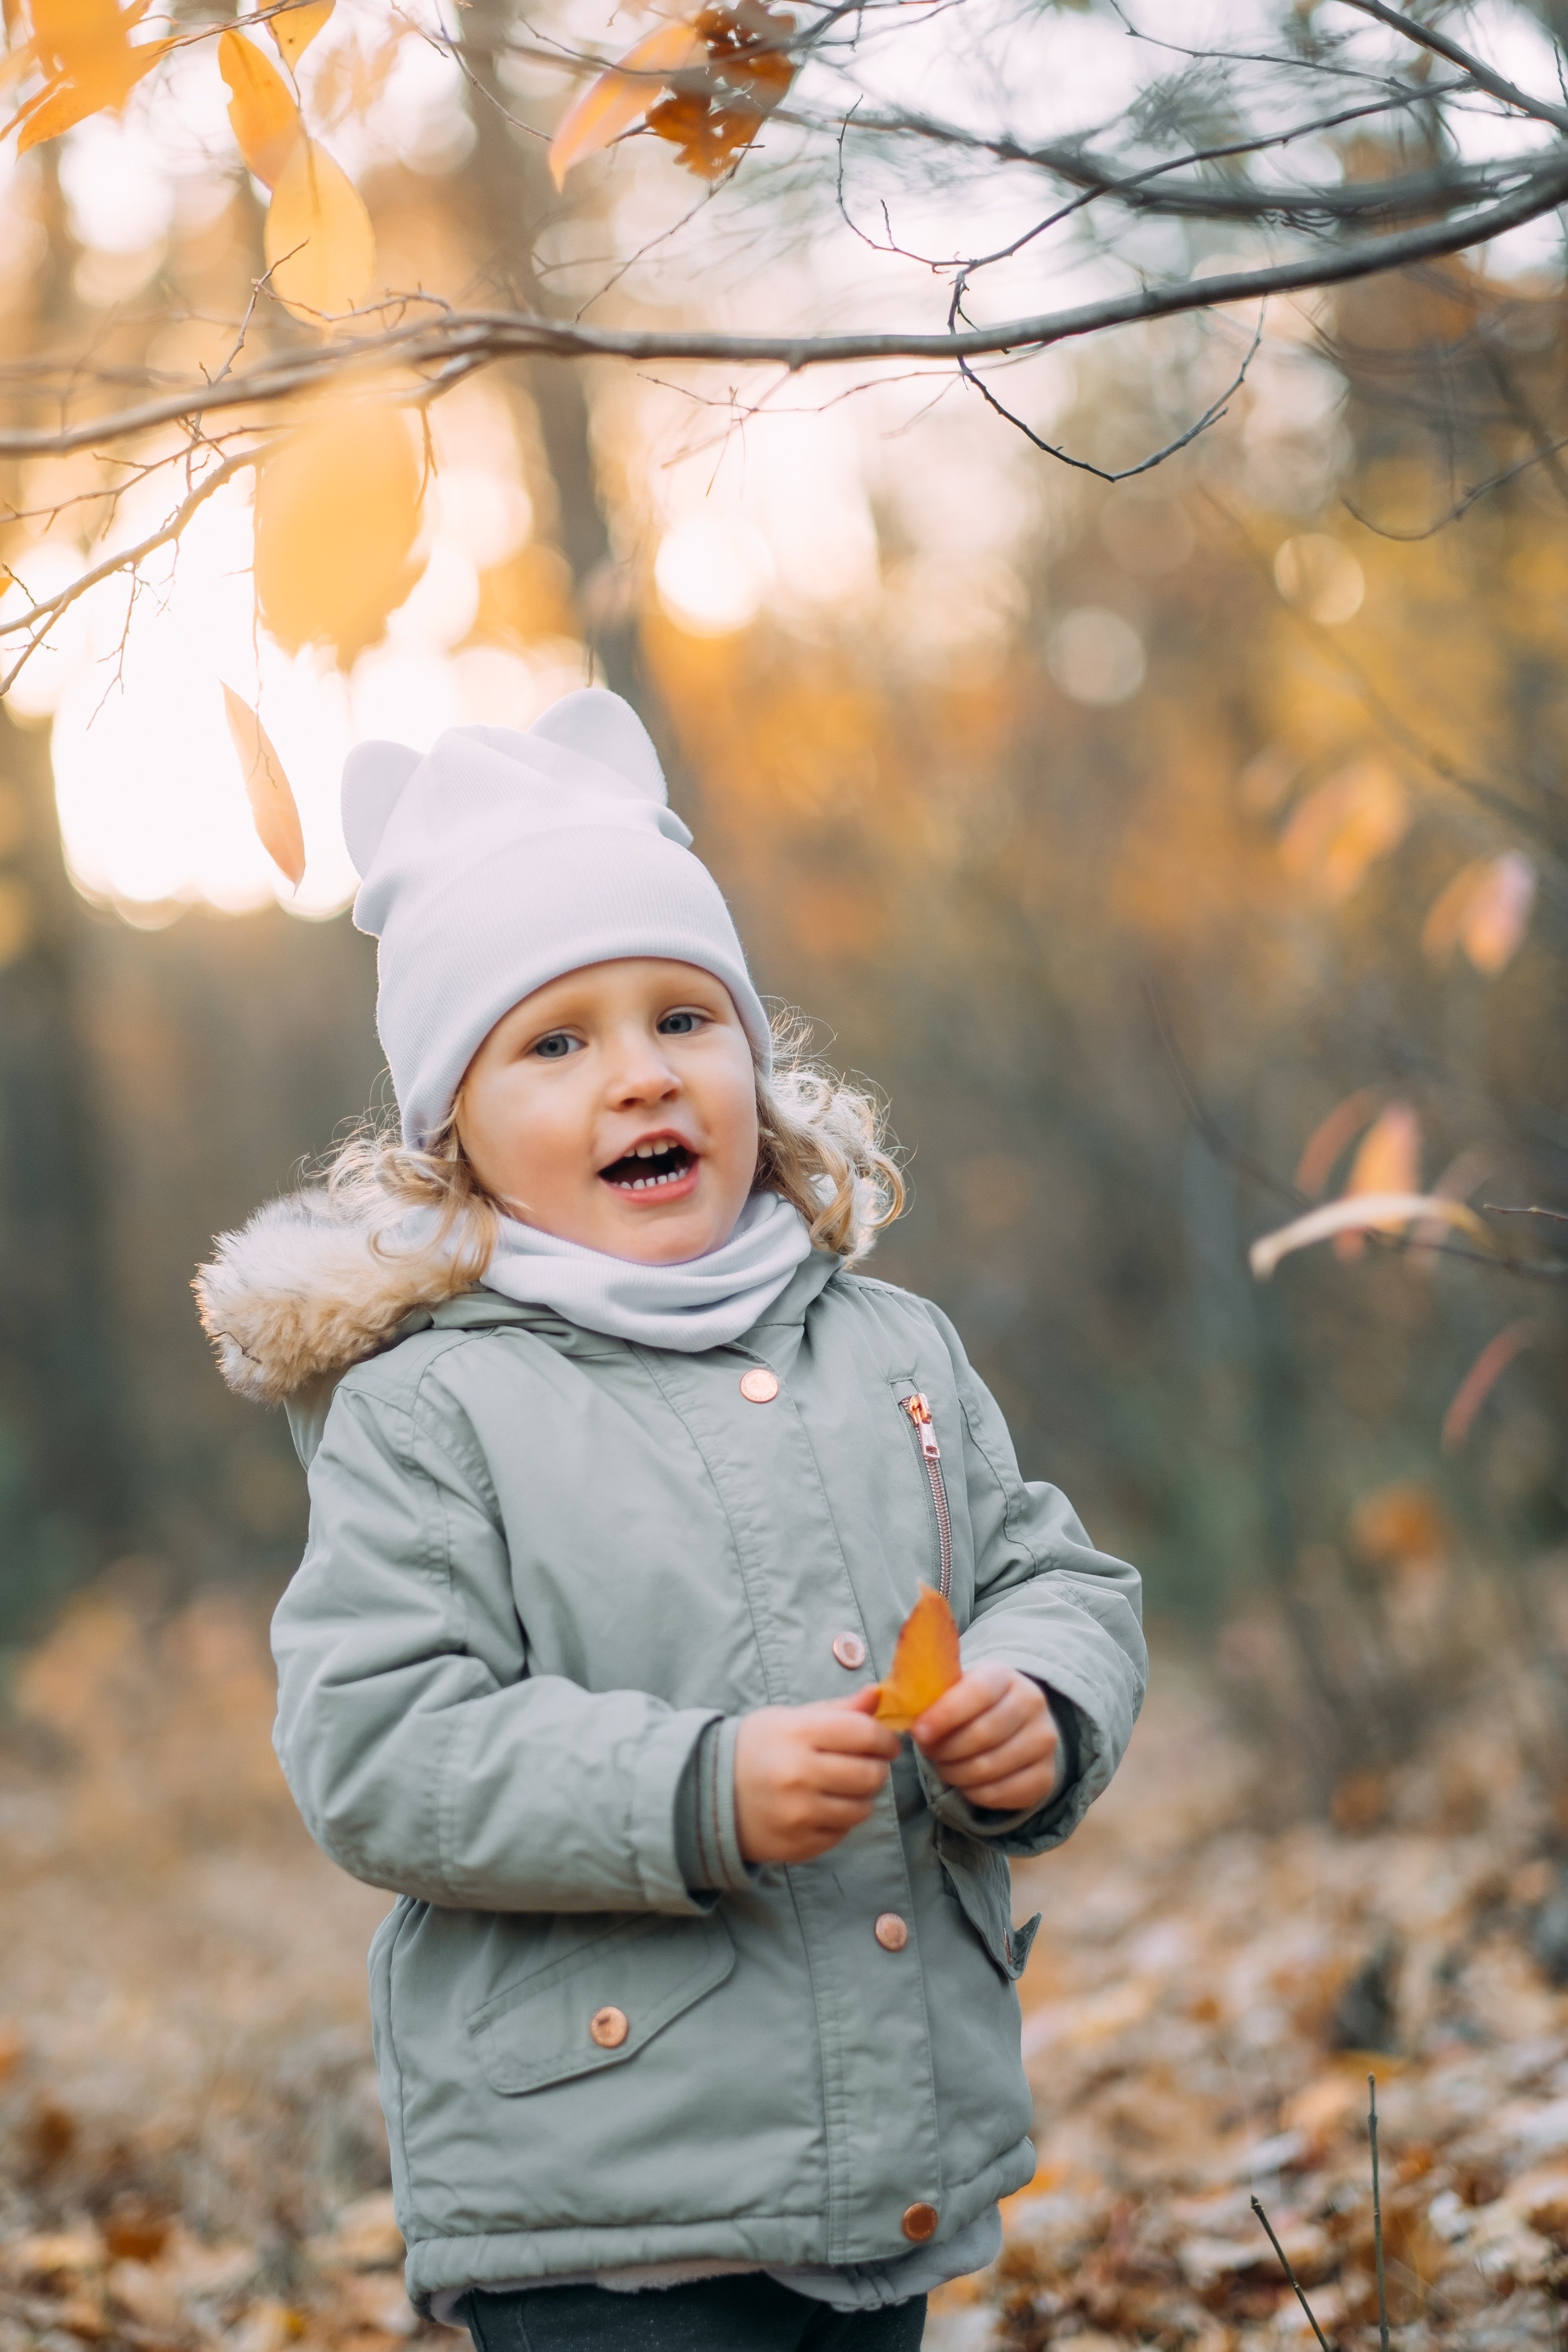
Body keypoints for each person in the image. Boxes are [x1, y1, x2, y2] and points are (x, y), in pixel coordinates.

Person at [194, 688, 1146, 2352]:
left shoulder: (884, 1344)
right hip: (596, 2196)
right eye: (555, 1043)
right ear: (455, 1138)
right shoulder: (433, 1407)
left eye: (683, 1020)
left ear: (754, 1065)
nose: (637, 1075)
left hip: (883, 2162)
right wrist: (689, 1789)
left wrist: (1041, 1705)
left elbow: (1046, 1569)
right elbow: (380, 1744)